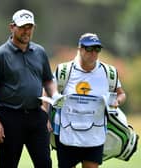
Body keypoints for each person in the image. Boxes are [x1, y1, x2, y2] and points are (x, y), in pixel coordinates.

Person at [0, 9, 58, 168]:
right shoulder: (0, 55)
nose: (26, 31)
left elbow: (48, 80)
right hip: (10, 118)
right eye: (23, 27)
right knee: (8, 164)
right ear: (12, 27)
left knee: (45, 164)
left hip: (36, 116)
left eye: (30, 27)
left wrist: (55, 96)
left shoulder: (40, 52)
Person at [52, 33, 126, 168]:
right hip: (67, 133)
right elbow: (49, 91)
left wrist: (117, 102)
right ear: (79, 48)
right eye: (89, 49)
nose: (93, 53)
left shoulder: (109, 72)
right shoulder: (64, 70)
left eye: (97, 49)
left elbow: (121, 94)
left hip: (94, 134)